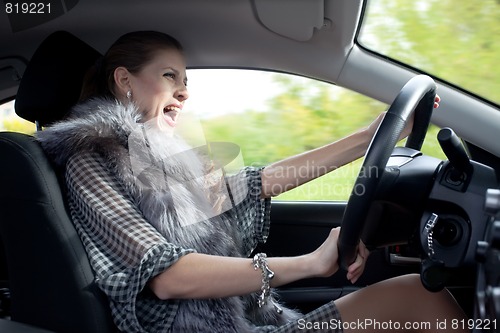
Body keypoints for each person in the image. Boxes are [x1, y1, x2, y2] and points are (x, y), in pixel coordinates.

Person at [37, 31, 467, 333]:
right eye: (170, 76)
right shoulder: (89, 158)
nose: (184, 92)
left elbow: (255, 183)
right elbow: (166, 276)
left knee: (419, 298)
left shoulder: (171, 161)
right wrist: (310, 263)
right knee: (421, 299)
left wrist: (364, 139)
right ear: (124, 80)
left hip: (257, 321)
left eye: (186, 81)